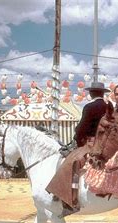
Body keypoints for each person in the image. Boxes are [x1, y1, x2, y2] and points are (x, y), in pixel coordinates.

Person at [46, 82, 111, 211]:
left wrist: (76, 137)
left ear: (91, 93)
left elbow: (82, 127)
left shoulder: (90, 107)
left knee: (71, 161)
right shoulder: (109, 107)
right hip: (108, 143)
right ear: (103, 93)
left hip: (92, 143)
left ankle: (70, 198)